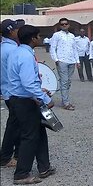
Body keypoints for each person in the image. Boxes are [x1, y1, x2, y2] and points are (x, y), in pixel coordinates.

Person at [8, 25, 56, 184]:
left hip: (23, 97)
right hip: (25, 101)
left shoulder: (18, 52)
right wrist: (46, 99)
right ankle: (21, 174)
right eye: (38, 36)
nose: (40, 38)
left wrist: (38, 89)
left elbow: (26, 81)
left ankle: (44, 167)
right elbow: (28, 83)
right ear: (33, 38)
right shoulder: (26, 56)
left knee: (40, 132)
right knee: (29, 137)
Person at [0, 19, 22, 168]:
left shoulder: (4, 48)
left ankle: (14, 154)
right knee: (14, 126)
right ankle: (7, 157)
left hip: (7, 90)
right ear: (11, 31)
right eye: (16, 29)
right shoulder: (13, 50)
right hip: (14, 92)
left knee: (15, 124)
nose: (18, 31)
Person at [49, 18, 79, 111]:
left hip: (71, 61)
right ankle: (66, 102)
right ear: (60, 26)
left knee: (68, 82)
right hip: (62, 60)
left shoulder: (72, 36)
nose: (64, 25)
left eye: (66, 24)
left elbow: (74, 49)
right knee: (64, 81)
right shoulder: (56, 35)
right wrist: (56, 60)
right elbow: (52, 48)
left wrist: (77, 61)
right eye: (62, 24)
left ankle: (64, 99)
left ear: (69, 25)